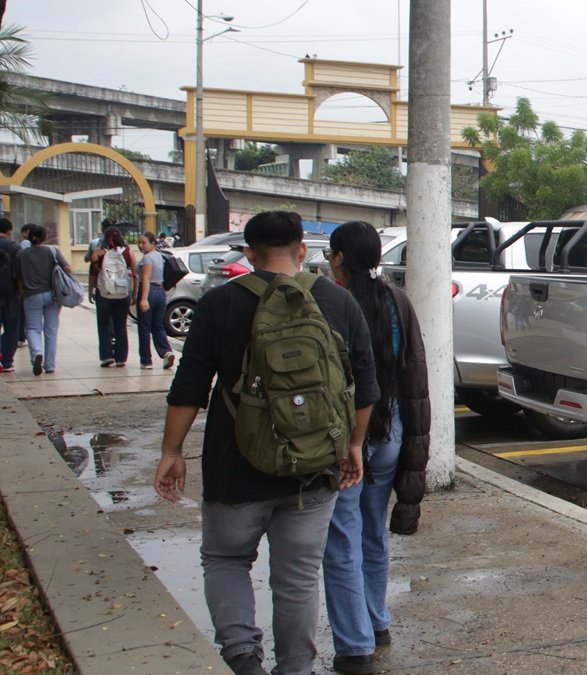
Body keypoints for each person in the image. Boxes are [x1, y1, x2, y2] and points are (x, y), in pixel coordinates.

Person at [153, 210, 379, 675]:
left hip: (235, 464)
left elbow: (189, 388)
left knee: (225, 558)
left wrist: (171, 453)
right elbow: (364, 385)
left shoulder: (219, 304)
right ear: (302, 250)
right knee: (296, 578)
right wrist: (354, 445)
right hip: (314, 466)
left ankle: (242, 655)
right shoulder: (337, 302)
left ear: (249, 254)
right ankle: (295, 668)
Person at [322, 222, 430, 674]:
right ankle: (377, 619)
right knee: (372, 529)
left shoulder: (330, 304)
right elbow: (415, 376)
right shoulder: (397, 302)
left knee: (341, 537)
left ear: (340, 258)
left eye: (331, 254)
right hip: (391, 432)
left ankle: (356, 645)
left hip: (348, 435)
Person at [13, 224, 70, 376]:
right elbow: (68, 268)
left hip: (30, 296)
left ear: (29, 237)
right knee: (51, 330)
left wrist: (21, 292)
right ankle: (50, 365)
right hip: (52, 295)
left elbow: (18, 278)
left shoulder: (21, 255)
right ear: (44, 237)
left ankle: (37, 352)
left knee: (32, 328)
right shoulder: (52, 251)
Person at [87, 225, 134, 367]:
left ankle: (107, 356)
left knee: (103, 324)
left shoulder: (98, 252)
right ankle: (121, 358)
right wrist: (135, 293)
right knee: (121, 325)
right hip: (122, 294)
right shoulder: (128, 253)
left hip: (104, 293)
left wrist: (91, 290)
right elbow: (135, 274)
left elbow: (93, 273)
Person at [135, 231, 175, 370]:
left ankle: (146, 361)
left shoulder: (147, 259)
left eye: (144, 243)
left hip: (149, 291)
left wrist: (144, 299)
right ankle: (166, 351)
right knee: (158, 326)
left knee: (144, 327)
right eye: (139, 242)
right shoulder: (159, 256)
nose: (140, 245)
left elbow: (146, 278)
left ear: (153, 243)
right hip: (160, 292)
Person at [0, 218, 20, 372]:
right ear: (8, 231)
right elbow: (20, 272)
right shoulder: (14, 247)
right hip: (11, 293)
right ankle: (7, 362)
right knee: (11, 327)